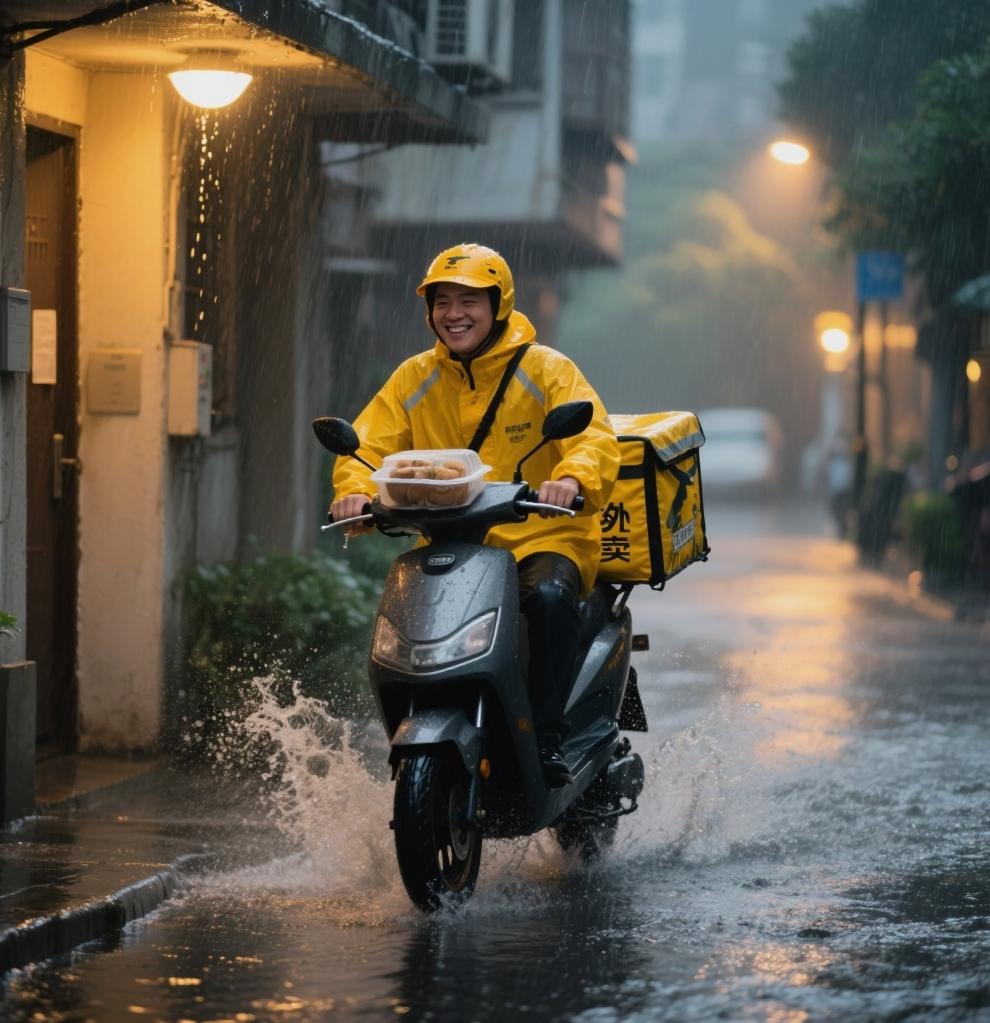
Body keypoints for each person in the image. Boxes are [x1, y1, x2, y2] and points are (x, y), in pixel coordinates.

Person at [331, 243, 620, 787]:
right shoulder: (414, 378)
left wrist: (572, 480)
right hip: (455, 541)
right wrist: (353, 492)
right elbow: (366, 448)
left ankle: (549, 735)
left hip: (543, 534)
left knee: (551, 600)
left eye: (469, 300)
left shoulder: (546, 369)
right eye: (442, 301)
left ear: (498, 306)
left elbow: (593, 437)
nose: (454, 313)